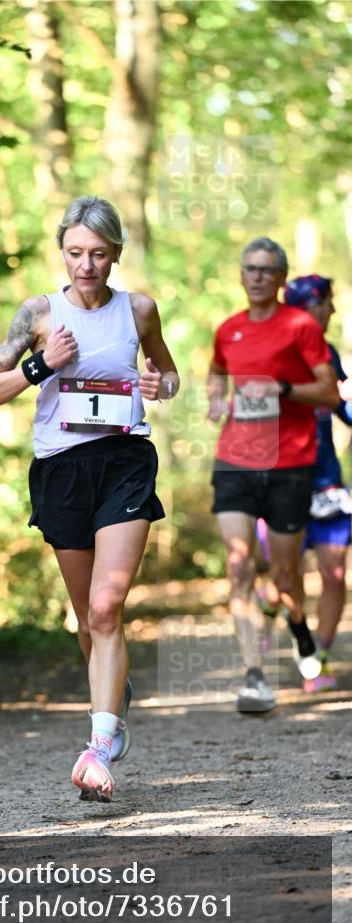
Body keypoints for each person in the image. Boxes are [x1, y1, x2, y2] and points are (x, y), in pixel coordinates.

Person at [0, 196, 179, 802]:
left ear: (116, 253)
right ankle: (111, 696)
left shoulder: (138, 310)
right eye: (74, 253)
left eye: (97, 254)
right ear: (61, 252)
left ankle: (98, 745)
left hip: (124, 463)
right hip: (61, 469)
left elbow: (168, 373)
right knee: (88, 620)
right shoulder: (37, 314)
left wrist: (158, 385)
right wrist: (42, 366)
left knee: (107, 607)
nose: (85, 266)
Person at [207, 239, 339, 713]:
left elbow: (328, 392)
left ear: (281, 279)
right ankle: (254, 677)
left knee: (284, 576)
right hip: (236, 461)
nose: (257, 276)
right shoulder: (228, 330)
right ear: (241, 276)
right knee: (240, 564)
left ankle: (302, 636)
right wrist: (215, 400)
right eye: (250, 268)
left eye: (267, 270)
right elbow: (216, 373)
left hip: (290, 466)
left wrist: (283, 387)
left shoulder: (301, 326)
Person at [282, 275, 351, 691]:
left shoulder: (327, 352)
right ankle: (299, 638)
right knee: (283, 578)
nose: (333, 311)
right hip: (283, 481)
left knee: (335, 572)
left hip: (326, 480)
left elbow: (343, 408)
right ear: (309, 307)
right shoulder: (273, 350)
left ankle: (318, 659)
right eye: (328, 303)